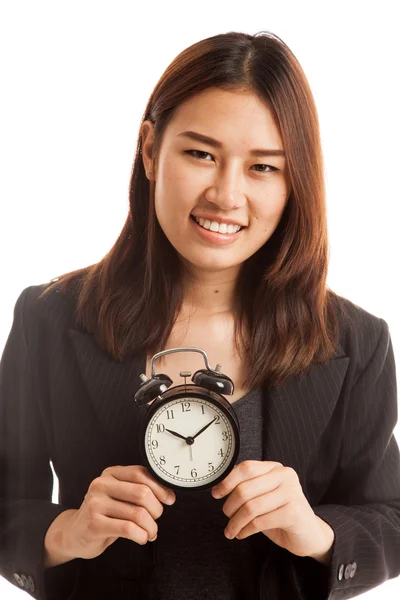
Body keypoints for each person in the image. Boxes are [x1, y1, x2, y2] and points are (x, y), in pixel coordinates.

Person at [1, 29, 399, 600]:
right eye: (201, 154)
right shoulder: (49, 320)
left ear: (295, 184)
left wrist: (316, 531)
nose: (227, 194)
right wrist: (67, 531)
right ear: (149, 150)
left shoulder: (355, 343)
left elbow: (392, 516)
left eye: (264, 167)